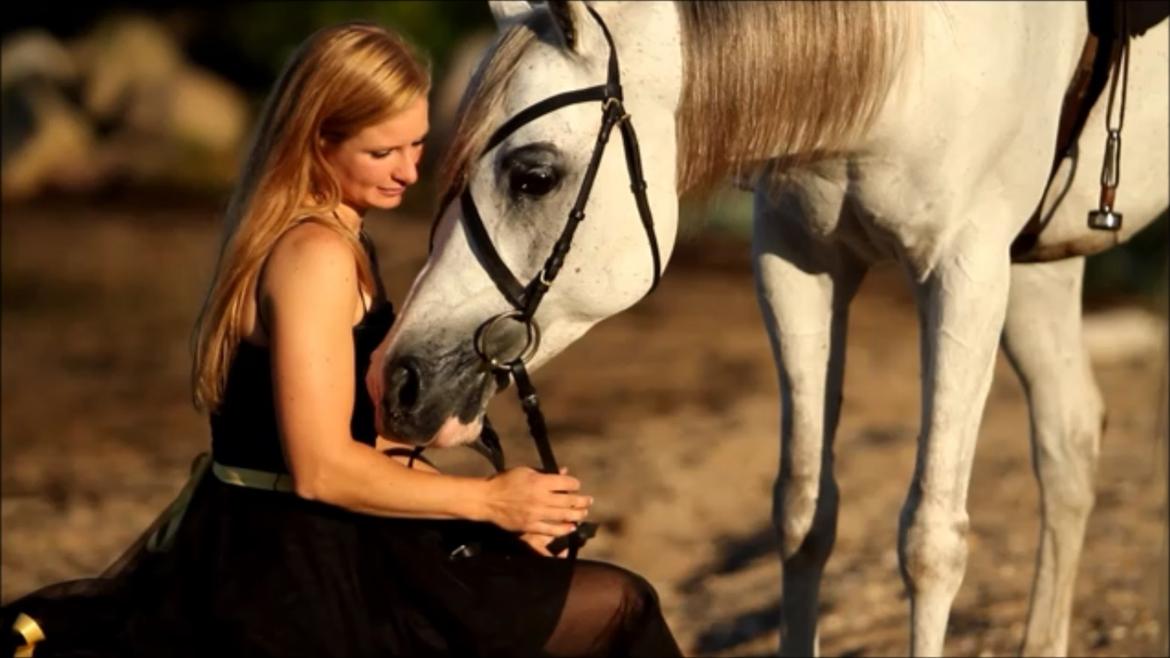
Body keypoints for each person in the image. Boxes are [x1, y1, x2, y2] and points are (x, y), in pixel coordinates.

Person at [1, 21, 682, 658]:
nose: (409, 172)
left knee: (601, 604)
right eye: (382, 151)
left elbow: (359, 439)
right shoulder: (313, 257)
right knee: (620, 608)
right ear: (314, 141)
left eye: (419, 145)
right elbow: (321, 467)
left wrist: (503, 512)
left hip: (326, 537)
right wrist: (490, 501)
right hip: (295, 567)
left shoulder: (343, 239)